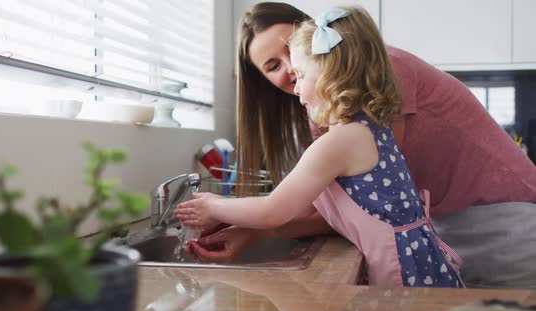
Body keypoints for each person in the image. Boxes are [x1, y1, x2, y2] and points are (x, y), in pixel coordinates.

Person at [186, 2, 536, 288]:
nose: (292, 68)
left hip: (499, 222)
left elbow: (370, 204)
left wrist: (225, 210)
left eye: (292, 47)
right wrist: (250, 229)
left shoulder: (381, 78)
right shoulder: (335, 114)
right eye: (274, 65)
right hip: (440, 232)